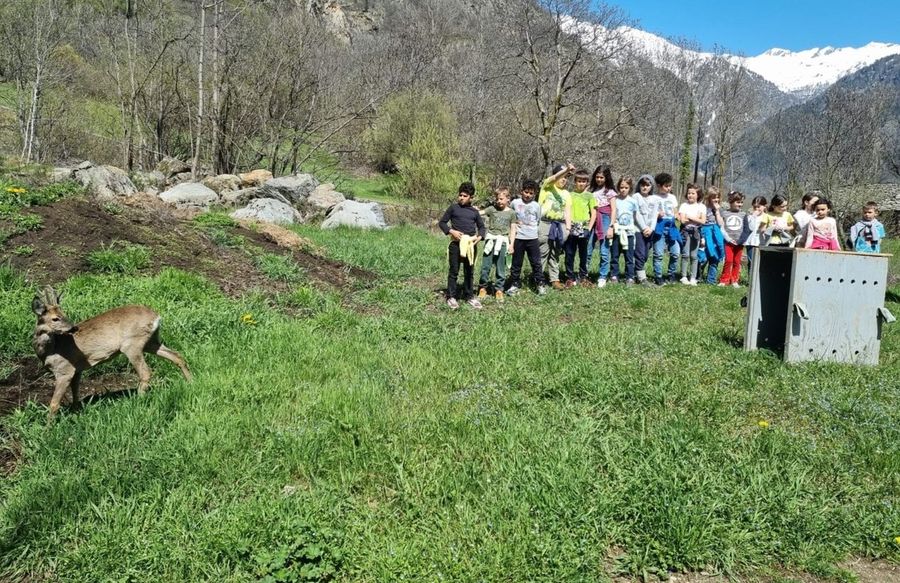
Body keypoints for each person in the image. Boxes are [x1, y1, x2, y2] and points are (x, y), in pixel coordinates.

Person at [438, 182, 485, 309]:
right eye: (460, 195)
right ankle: (451, 296)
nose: (462, 198)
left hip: (470, 246)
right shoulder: (453, 208)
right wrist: (451, 231)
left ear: (471, 197)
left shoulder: (474, 212)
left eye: (465, 196)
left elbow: (482, 228)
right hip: (456, 245)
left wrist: (479, 237)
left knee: (469, 271)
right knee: (453, 271)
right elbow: (442, 223)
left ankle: (469, 296)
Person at [506, 180, 545, 295]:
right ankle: (515, 284)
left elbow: (538, 220)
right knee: (516, 263)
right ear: (521, 191)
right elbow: (510, 217)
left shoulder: (536, 206)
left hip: (532, 238)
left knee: (536, 262)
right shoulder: (515, 203)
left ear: (535, 194)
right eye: (526, 192)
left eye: (531, 193)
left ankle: (540, 283)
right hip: (518, 237)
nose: (528, 195)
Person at [538, 164, 574, 290]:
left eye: (566, 177)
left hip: (559, 225)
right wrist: (566, 170)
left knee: (555, 253)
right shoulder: (547, 187)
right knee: (543, 251)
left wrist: (568, 229)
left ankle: (555, 279)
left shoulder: (566, 194)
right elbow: (552, 178)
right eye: (562, 176)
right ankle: (539, 278)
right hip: (545, 223)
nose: (564, 179)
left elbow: (567, 211)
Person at [478, 187, 517, 300]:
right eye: (497, 199)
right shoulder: (492, 209)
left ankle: (499, 289)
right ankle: (482, 287)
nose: (499, 201)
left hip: (503, 242)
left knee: (501, 267)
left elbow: (513, 229)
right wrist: (470, 209)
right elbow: (480, 213)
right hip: (491, 240)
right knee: (486, 266)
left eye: (501, 199)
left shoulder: (511, 213)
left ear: (507, 199)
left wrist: (511, 245)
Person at [564, 169, 598, 287]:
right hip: (572, 227)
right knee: (569, 253)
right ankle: (570, 277)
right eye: (579, 181)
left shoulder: (589, 196)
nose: (581, 183)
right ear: (575, 182)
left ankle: (583, 277)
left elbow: (594, 213)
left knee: (583, 254)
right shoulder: (569, 195)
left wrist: (589, 228)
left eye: (584, 181)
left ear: (587, 183)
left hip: (584, 227)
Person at [605, 176, 639, 285]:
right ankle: (614, 275)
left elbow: (634, 216)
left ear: (630, 188)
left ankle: (630, 276)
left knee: (629, 256)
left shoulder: (633, 202)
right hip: (617, 231)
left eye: (626, 187)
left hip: (628, 233)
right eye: (621, 187)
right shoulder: (615, 200)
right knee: (615, 255)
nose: (623, 190)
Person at [587, 165, 616, 283]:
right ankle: (584, 273)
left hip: (605, 218)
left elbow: (614, 209)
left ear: (606, 178)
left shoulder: (610, 192)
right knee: (588, 248)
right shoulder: (591, 190)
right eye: (597, 177)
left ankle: (602, 276)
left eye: (602, 177)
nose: (599, 179)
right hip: (592, 218)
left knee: (604, 249)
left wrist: (611, 226)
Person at [651, 173, 681, 285]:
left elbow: (675, 211)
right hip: (659, 227)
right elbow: (650, 214)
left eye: (670, 186)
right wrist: (657, 214)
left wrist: (678, 216)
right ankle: (658, 276)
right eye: (666, 186)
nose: (669, 188)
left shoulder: (672, 197)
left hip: (672, 227)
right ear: (659, 185)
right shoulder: (654, 198)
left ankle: (671, 274)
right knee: (658, 254)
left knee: (675, 253)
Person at [719, 191, 751, 287]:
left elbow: (746, 229)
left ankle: (734, 280)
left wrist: (740, 241)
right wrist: (728, 239)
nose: (740, 204)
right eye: (738, 202)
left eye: (741, 202)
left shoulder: (743, 214)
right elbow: (722, 227)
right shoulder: (725, 213)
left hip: (739, 243)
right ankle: (724, 280)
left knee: (737, 262)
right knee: (728, 260)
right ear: (731, 202)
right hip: (728, 242)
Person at [632, 174, 659, 286]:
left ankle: (635, 274)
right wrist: (643, 228)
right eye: (642, 185)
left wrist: (651, 229)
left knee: (646, 254)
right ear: (639, 185)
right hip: (638, 229)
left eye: (647, 185)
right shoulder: (636, 197)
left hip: (650, 231)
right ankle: (642, 279)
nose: (645, 187)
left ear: (651, 186)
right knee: (640, 253)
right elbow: (636, 214)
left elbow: (654, 215)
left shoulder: (655, 199)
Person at [678, 184, 705, 285]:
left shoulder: (702, 206)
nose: (690, 195)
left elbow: (702, 221)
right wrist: (695, 218)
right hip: (685, 232)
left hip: (696, 233)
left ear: (698, 195)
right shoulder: (684, 206)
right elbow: (683, 221)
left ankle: (693, 277)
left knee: (694, 256)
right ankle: (684, 276)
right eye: (689, 193)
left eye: (693, 193)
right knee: (685, 254)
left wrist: (689, 217)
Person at [699, 186, 726, 284]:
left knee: (715, 257)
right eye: (713, 197)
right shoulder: (703, 207)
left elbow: (721, 224)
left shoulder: (719, 209)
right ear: (708, 197)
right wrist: (702, 237)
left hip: (716, 234)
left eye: (717, 197)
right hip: (705, 232)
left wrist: (717, 211)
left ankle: (711, 280)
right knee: (703, 257)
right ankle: (698, 275)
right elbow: (700, 222)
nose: (716, 199)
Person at [744, 195, 767, 273]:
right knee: (751, 261)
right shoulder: (749, 217)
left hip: (762, 242)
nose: (757, 209)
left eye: (759, 206)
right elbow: (751, 228)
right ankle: (750, 280)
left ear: (764, 206)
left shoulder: (767, 217)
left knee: (761, 262)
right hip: (751, 242)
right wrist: (753, 217)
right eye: (755, 207)